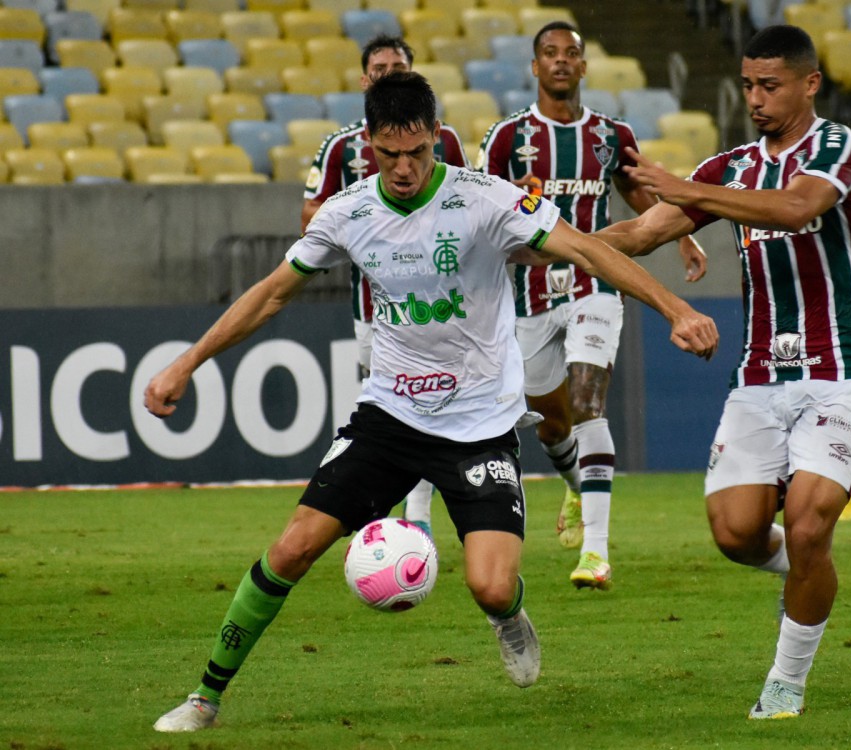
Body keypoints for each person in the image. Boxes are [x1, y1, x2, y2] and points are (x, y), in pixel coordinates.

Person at [147, 71, 718, 733]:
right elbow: (274, 292)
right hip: (389, 415)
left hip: (479, 423)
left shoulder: (486, 200)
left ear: (434, 140)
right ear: (368, 145)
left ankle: (508, 618)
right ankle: (204, 697)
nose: (405, 168)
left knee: (491, 586)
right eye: (390, 155)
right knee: (292, 549)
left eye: (417, 153)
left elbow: (586, 249)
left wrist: (675, 308)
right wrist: (187, 362)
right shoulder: (349, 212)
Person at [593, 25, 851, 719]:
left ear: (810, 83)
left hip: (837, 372)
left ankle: (785, 682)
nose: (755, 98)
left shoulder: (838, 149)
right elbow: (644, 233)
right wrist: (547, 246)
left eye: (769, 85)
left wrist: (689, 190)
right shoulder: (729, 168)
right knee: (735, 534)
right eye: (748, 85)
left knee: (810, 525)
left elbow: (796, 207)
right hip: (757, 379)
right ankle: (807, 575)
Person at [478, 21, 708, 590]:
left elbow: (639, 192)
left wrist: (682, 233)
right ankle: (580, 489)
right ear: (535, 67)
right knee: (550, 424)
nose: (560, 62)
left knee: (586, 402)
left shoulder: (609, 134)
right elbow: (479, 206)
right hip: (530, 294)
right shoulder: (508, 139)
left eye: (571, 54)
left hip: (594, 283)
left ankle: (597, 556)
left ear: (583, 67)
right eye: (549, 54)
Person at [302, 35, 469, 536]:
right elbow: (310, 213)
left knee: (426, 399)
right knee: (391, 403)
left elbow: (467, 204)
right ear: (363, 79)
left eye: (398, 65)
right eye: (379, 67)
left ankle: (414, 521)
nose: (388, 72)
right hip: (372, 304)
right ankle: (390, 514)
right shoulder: (340, 146)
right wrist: (361, 221)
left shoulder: (449, 141)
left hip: (438, 301)